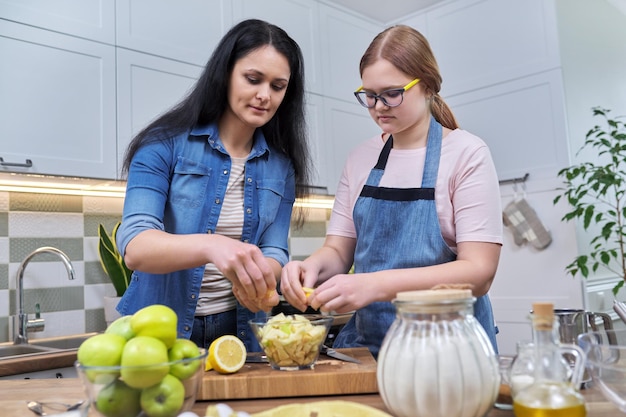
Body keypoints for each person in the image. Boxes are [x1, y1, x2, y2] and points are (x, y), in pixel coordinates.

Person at [280, 24, 503, 357]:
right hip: (372, 347)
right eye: (369, 95)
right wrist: (309, 267)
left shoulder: (467, 153)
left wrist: (374, 285)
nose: (378, 106)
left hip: (451, 349)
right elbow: (339, 253)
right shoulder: (360, 159)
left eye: (391, 93)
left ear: (427, 86)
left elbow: (479, 272)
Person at [115, 19, 312, 352]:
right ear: (225, 74)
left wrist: (262, 275)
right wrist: (213, 247)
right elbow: (136, 246)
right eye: (253, 79)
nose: (264, 95)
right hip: (159, 328)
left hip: (243, 331)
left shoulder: (282, 167)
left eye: (278, 86)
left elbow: (275, 249)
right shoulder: (162, 145)